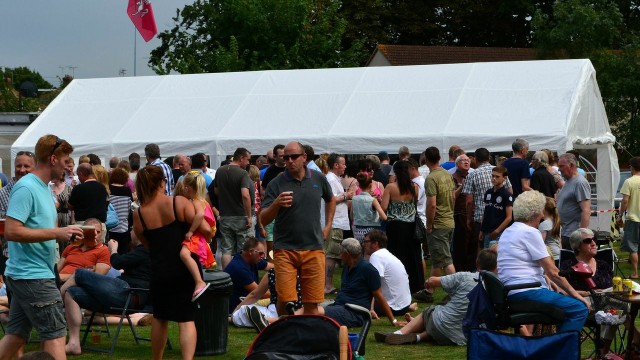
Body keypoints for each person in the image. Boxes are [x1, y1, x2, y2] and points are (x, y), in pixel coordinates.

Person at [0, 134, 84, 360]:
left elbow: (43, 229)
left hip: (33, 274)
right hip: (32, 276)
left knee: (16, 336)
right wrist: (58, 233)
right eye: (66, 160)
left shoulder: (44, 189)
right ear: (54, 159)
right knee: (55, 335)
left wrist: (68, 233)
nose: (69, 166)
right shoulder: (26, 188)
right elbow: (12, 231)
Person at [132, 165, 213, 360]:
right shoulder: (179, 202)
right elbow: (206, 230)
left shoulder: (139, 214)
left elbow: (147, 244)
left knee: (160, 318)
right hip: (185, 268)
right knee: (186, 319)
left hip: (160, 269)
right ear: (162, 182)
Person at [498, 190, 589, 333]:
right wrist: (575, 295)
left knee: (566, 307)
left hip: (511, 292)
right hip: (528, 291)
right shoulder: (530, 232)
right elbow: (552, 271)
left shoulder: (508, 232)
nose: (542, 215)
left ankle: (553, 347)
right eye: (541, 211)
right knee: (579, 308)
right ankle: (559, 352)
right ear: (536, 212)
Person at [260, 141, 335, 315]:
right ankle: (284, 334)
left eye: (294, 157)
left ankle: (306, 337)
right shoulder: (276, 183)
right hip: (285, 249)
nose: (290, 161)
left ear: (304, 157)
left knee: (312, 302)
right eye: (286, 157)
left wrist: (328, 226)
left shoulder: (318, 178)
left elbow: (330, 199)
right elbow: (263, 218)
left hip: (313, 248)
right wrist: (276, 204)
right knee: (285, 300)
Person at [374, 248, 498, 346]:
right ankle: (418, 336)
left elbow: (433, 281)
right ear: (496, 267)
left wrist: (428, 281)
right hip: (464, 336)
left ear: (477, 263)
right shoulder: (496, 287)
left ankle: (399, 333)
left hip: (442, 324)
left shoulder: (465, 277)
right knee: (449, 316)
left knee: (430, 311)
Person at [61, 231, 152, 355]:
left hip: (129, 293)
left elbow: (117, 262)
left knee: (79, 273)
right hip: (125, 296)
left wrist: (113, 249)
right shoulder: (147, 251)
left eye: (133, 230)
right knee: (72, 293)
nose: (130, 232)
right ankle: (74, 343)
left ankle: (56, 303)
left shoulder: (145, 250)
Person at [560, 228, 623, 355]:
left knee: (615, 304)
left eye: (594, 239)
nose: (594, 243)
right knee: (619, 305)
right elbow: (561, 291)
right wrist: (587, 293)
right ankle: (610, 349)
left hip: (607, 306)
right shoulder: (568, 266)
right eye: (588, 241)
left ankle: (603, 350)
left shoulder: (604, 265)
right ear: (577, 246)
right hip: (585, 305)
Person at [321, 238, 400, 328]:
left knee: (316, 312)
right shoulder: (347, 267)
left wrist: (393, 320)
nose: (339, 255)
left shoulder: (368, 270)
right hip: (339, 307)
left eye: (341, 253)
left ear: (347, 254)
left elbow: (379, 296)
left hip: (355, 313)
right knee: (312, 308)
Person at [381, 160, 423, 294]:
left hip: (395, 227)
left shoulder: (390, 187)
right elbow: (414, 204)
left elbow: (384, 207)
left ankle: (396, 284)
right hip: (410, 226)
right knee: (412, 257)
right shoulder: (415, 187)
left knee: (396, 256)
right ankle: (415, 285)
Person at [174, 171, 216, 301]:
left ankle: (199, 281)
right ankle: (198, 281)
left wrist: (191, 231)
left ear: (187, 189)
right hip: (202, 235)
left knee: (184, 254)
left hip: (197, 235)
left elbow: (199, 216)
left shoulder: (196, 201)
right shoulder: (203, 201)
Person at [214, 147, 254, 269]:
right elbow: (245, 195)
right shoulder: (243, 173)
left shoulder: (220, 171)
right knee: (245, 248)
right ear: (241, 158)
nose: (248, 163)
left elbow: (216, 191)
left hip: (225, 215)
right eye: (247, 160)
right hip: (241, 216)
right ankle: (244, 275)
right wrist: (249, 216)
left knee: (226, 249)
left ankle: (228, 276)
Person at [363, 230, 415, 317]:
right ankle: (409, 307)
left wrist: (371, 309)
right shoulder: (387, 254)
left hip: (394, 308)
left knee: (355, 303)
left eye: (366, 242)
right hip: (404, 305)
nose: (363, 244)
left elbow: (374, 284)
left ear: (375, 244)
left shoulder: (376, 256)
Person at [424, 147, 456, 278]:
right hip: (449, 220)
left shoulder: (431, 178)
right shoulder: (447, 174)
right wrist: (450, 212)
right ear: (439, 158)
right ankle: (429, 290)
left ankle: (456, 290)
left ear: (426, 159)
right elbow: (453, 197)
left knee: (446, 260)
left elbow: (432, 205)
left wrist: (429, 225)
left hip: (438, 224)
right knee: (438, 259)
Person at [324, 153, 353, 294]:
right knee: (331, 254)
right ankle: (327, 285)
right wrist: (346, 195)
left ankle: (327, 284)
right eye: (343, 163)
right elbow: (330, 199)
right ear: (336, 165)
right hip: (334, 222)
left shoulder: (334, 179)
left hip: (337, 221)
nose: (345, 166)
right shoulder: (331, 179)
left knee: (333, 254)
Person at [223, 238, 270, 313]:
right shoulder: (239, 268)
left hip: (247, 301)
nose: (263, 256)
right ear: (251, 252)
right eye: (261, 253)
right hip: (237, 307)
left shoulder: (250, 259)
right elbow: (259, 293)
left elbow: (271, 266)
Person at [57, 218, 110, 283]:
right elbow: (57, 270)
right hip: (58, 282)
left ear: (101, 234)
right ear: (83, 232)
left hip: (78, 284)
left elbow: (96, 278)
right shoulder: (71, 247)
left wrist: (63, 277)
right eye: (91, 232)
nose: (95, 235)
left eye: (98, 232)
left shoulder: (103, 250)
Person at [557, 153, 591, 249]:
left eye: (561, 166)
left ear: (571, 165)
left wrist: (581, 236)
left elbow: (586, 210)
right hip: (566, 233)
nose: (559, 169)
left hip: (574, 235)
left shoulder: (580, 182)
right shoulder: (568, 181)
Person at [479, 166, 513, 249]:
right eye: (493, 176)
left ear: (504, 178)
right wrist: (482, 230)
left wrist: (497, 231)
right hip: (487, 230)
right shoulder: (488, 192)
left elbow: (509, 217)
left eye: (497, 177)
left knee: (496, 255)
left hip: (499, 232)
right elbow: (486, 212)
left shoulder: (506, 195)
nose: (494, 179)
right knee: (487, 255)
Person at [619, 156, 640, 278]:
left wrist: (620, 215)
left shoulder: (629, 181)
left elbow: (625, 201)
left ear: (631, 167)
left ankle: (635, 273)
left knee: (633, 247)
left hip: (633, 218)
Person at [352, 172, 386, 242]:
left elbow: (351, 216)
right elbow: (384, 217)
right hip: (372, 231)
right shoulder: (373, 200)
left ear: (359, 186)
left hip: (357, 231)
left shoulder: (354, 199)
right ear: (370, 185)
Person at [108, 168, 133, 253]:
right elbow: (130, 207)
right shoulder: (127, 191)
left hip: (110, 225)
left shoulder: (108, 189)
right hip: (123, 226)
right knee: (123, 252)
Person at [539, 197, 562, 264]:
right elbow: (560, 242)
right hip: (558, 255)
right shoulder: (556, 223)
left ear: (544, 209)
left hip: (551, 257)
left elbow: (541, 243)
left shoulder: (543, 225)